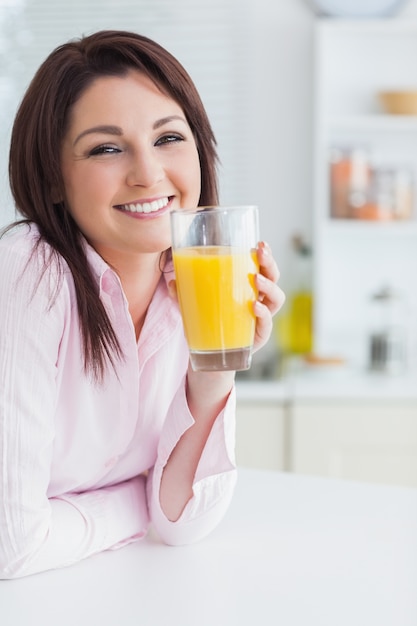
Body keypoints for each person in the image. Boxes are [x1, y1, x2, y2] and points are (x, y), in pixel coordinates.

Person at [0, 30, 285, 579]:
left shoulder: (198, 280)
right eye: (106, 147)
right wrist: (137, 501)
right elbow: (12, 542)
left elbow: (183, 523)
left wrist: (214, 369)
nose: (148, 174)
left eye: (168, 138)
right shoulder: (27, 271)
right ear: (54, 177)